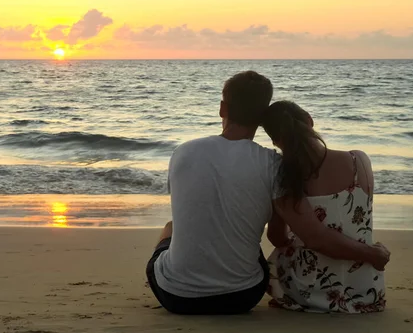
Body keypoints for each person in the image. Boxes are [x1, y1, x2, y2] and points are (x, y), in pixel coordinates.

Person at [145, 71, 390, 315]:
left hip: (175, 297)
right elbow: (313, 236)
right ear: (261, 118)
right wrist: (372, 254)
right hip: (242, 296)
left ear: (222, 109)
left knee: (172, 227)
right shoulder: (273, 165)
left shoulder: (183, 153)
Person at [262, 100, 386, 313]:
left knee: (281, 252)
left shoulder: (284, 176)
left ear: (275, 141)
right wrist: (372, 255)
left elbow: (277, 237)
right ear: (310, 120)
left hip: (313, 292)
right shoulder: (359, 161)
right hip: (366, 290)